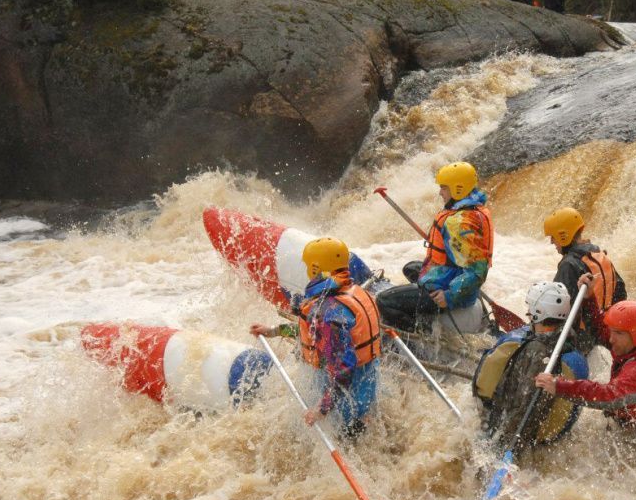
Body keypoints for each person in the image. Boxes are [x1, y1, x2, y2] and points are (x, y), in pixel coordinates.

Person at [251, 238, 382, 437]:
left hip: (344, 411)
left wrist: (321, 410)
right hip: (366, 397)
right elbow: (317, 334)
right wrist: (274, 331)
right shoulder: (355, 292)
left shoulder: (327, 311)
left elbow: (343, 369)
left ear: (315, 269)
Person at [534, 293, 636, 435]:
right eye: (612, 331)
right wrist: (589, 298)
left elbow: (608, 396)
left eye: (618, 333)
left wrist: (559, 386)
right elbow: (602, 332)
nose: (610, 339)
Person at [473, 282, 589, 459]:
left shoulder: (536, 352)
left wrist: (503, 449)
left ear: (538, 313)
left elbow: (524, 407)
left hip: (516, 440)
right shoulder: (566, 337)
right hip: (548, 439)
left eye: (530, 308)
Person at [377, 161, 494, 334]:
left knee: (384, 301)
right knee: (411, 268)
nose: (440, 192)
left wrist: (449, 296)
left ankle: (422, 334)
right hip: (451, 273)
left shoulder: (460, 223)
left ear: (458, 189)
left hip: (450, 288)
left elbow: (477, 271)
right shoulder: (474, 208)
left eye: (444, 188)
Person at [543, 206, 626, 353]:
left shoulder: (569, 265)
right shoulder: (600, 255)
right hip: (603, 332)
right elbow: (620, 293)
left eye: (553, 237)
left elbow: (556, 308)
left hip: (581, 339)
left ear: (563, 235)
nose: (551, 242)